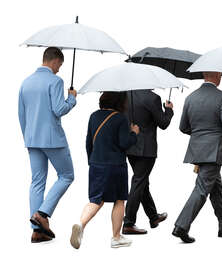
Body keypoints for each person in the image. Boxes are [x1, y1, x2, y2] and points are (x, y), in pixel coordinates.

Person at [172, 72, 222, 243]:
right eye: (221, 75)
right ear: (216, 75)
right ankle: (181, 226)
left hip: (197, 150)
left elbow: (183, 127)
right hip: (214, 151)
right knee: (202, 189)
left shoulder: (190, 97)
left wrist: (199, 136)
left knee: (216, 190)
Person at [18, 47, 77, 243]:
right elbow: (59, 109)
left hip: (32, 138)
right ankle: (42, 214)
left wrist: (28, 137)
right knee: (67, 175)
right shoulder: (55, 81)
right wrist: (72, 98)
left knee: (37, 182)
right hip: (52, 139)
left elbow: (21, 114)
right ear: (54, 61)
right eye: (60, 65)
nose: (59, 69)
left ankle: (37, 231)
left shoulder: (25, 83)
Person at [70, 92, 139, 249]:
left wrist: (92, 161)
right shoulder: (121, 118)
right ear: (120, 102)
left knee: (96, 200)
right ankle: (116, 237)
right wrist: (134, 133)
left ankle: (80, 224)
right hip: (115, 166)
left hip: (96, 164)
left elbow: (88, 141)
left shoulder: (94, 116)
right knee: (119, 200)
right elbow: (124, 143)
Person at [122, 90, 174, 235]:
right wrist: (168, 110)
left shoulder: (126, 94)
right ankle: (128, 223)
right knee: (139, 182)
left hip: (129, 146)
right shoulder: (153, 98)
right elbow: (163, 123)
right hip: (146, 149)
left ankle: (153, 217)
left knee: (142, 182)